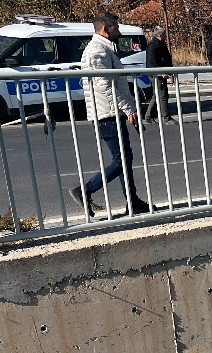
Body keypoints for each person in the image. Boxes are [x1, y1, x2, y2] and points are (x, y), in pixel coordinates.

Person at [67, 12, 150, 217]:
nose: (119, 31)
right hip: (107, 114)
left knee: (124, 158)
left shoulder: (103, 48)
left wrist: (128, 109)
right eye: (116, 28)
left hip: (112, 111)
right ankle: (85, 190)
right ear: (106, 29)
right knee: (122, 159)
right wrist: (128, 109)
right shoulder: (97, 51)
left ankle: (133, 201)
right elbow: (105, 85)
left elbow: (115, 85)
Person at [144, 25, 174, 123]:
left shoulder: (161, 44)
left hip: (161, 73)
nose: (166, 36)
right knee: (162, 95)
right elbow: (151, 62)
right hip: (157, 74)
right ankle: (166, 118)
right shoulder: (153, 45)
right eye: (165, 34)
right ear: (160, 35)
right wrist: (161, 73)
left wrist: (169, 71)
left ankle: (148, 116)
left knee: (157, 95)